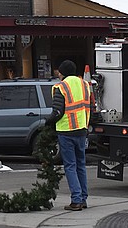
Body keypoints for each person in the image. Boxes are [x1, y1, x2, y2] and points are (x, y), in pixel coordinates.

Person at [49, 59, 93, 211]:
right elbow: (91, 107)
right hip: (81, 129)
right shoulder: (85, 85)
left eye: (59, 72)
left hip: (66, 131)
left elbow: (57, 112)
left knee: (70, 166)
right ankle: (83, 198)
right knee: (81, 165)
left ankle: (76, 200)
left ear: (62, 72)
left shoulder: (61, 87)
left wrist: (46, 122)